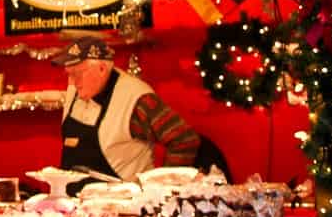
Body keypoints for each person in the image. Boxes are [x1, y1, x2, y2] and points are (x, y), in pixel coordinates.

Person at [53, 35, 228, 188]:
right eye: (68, 74)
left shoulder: (137, 99)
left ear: (101, 69)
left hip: (120, 208)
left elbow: (184, 140)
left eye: (77, 73)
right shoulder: (77, 88)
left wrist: (164, 189)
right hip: (73, 205)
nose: (72, 81)